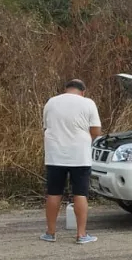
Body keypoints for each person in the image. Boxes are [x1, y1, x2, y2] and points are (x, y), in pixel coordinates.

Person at [41, 79, 101, 244]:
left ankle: (50, 233)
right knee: (80, 193)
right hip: (79, 155)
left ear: (65, 89)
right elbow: (96, 130)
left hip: (55, 155)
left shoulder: (51, 102)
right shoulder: (87, 103)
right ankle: (81, 235)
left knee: (53, 193)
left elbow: (46, 127)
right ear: (83, 91)